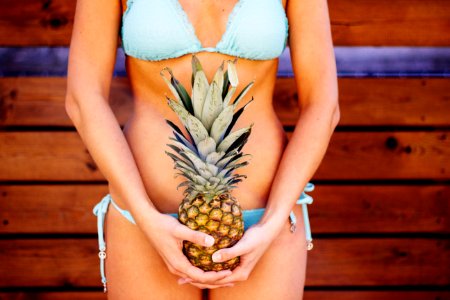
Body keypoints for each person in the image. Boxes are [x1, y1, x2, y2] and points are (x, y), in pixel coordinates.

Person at [65, 0, 339, 298]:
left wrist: (273, 220)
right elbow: (83, 97)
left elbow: (323, 105)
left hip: (266, 217)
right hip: (144, 214)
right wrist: (143, 214)